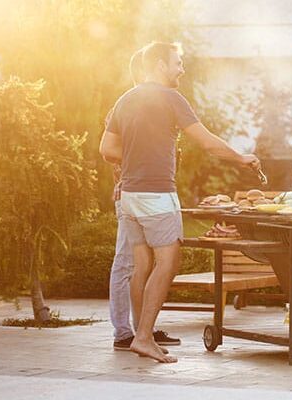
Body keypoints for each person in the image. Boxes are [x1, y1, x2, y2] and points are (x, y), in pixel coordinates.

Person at [99, 41, 260, 363]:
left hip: (129, 196)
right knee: (168, 263)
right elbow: (207, 143)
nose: (181, 69)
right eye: (177, 63)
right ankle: (143, 337)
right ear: (159, 64)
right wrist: (241, 158)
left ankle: (140, 334)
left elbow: (107, 149)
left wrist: (137, 155)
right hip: (157, 195)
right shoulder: (171, 98)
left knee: (141, 265)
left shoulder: (125, 100)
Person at [106, 47, 181, 352]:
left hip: (138, 191)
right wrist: (138, 165)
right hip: (132, 192)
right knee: (127, 263)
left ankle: (143, 331)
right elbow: (110, 150)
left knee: (143, 263)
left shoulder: (151, 105)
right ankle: (126, 332)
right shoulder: (130, 103)